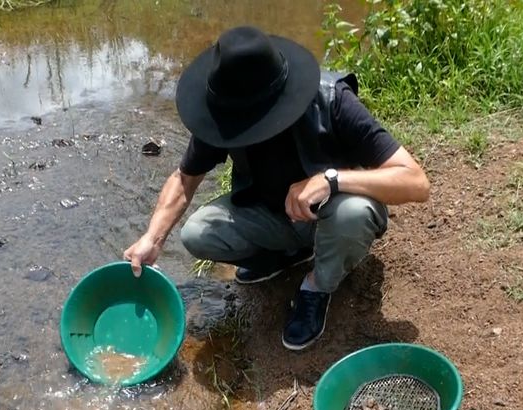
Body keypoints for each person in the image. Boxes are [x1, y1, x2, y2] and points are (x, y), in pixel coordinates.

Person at [124, 26, 430, 351]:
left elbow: (415, 182)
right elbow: (185, 178)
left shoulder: (331, 99)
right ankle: (285, 256)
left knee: (353, 212)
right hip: (274, 215)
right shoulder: (225, 112)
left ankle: (316, 287)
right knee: (198, 233)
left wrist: (330, 179)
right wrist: (152, 238)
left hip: (334, 217)